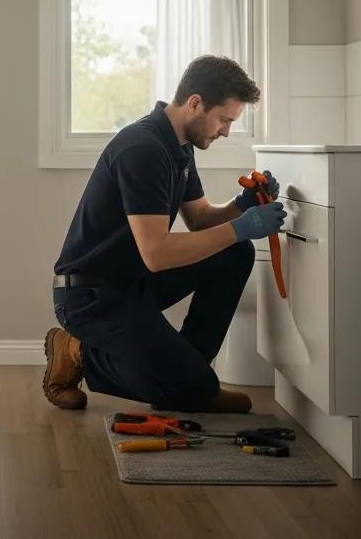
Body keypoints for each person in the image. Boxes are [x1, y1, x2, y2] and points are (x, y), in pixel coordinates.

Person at [43, 55, 286, 413]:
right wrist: (240, 228)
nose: (225, 131)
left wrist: (241, 204)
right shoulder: (143, 149)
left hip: (133, 282)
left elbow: (200, 218)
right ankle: (75, 350)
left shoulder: (179, 147)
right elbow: (156, 254)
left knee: (235, 253)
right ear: (195, 103)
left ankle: (190, 377)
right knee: (195, 388)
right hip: (91, 296)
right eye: (224, 120)